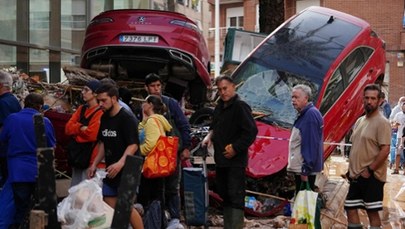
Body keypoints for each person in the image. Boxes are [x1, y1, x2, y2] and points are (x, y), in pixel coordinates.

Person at [202, 76, 257, 229]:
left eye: (225, 88)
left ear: (233, 86)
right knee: (224, 192)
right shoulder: (219, 106)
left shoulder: (240, 106)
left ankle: (235, 225)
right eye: (220, 89)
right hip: (221, 159)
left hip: (235, 161)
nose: (223, 92)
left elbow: (251, 132)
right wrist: (209, 136)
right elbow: (214, 126)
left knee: (235, 195)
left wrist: (236, 148)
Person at [88, 83, 144, 229]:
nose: (100, 104)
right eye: (98, 100)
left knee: (126, 206)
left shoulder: (127, 118)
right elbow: (103, 143)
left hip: (128, 169)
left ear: (114, 98)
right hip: (111, 169)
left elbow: (133, 145)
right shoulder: (105, 117)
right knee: (108, 201)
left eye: (103, 100)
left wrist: (120, 164)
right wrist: (94, 164)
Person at [0, 93, 56, 228]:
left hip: (18, 171)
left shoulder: (12, 119)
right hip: (40, 171)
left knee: (21, 207)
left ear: (25, 103)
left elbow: (3, 139)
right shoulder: (45, 121)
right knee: (41, 207)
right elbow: (52, 146)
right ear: (40, 106)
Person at [144, 73, 191, 229]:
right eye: (152, 86)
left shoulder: (171, 104)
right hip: (151, 156)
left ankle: (175, 219)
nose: (156, 89)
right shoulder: (144, 107)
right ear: (146, 88)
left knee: (172, 187)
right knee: (155, 189)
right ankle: (159, 220)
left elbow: (184, 126)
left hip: (170, 154)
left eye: (158, 85)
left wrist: (185, 147)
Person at [344, 84, 391, 229]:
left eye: (373, 98)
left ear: (379, 101)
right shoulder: (360, 121)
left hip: (372, 176)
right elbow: (357, 147)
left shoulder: (382, 122)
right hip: (356, 176)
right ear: (362, 99)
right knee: (350, 207)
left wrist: (369, 170)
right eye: (366, 98)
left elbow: (385, 149)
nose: (369, 101)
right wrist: (350, 171)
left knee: (372, 212)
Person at [137, 95, 173, 228]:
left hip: (150, 167)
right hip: (157, 167)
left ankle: (151, 224)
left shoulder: (153, 121)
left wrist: (138, 150)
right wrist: (143, 119)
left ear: (150, 105)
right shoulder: (154, 120)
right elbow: (141, 134)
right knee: (156, 197)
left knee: (149, 198)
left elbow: (151, 144)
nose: (142, 105)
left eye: (144, 103)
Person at [65, 80, 104, 187]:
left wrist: (76, 131)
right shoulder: (81, 109)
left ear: (95, 93)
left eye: (86, 90)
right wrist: (81, 127)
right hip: (77, 157)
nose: (82, 92)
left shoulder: (100, 112)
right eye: (83, 89)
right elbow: (68, 128)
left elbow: (92, 134)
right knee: (75, 190)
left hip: (90, 159)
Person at [287, 84, 324, 193]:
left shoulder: (310, 115)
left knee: (304, 206)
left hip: (304, 170)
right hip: (302, 168)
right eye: (292, 97)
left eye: (296, 97)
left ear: (306, 98)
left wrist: (305, 170)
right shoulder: (305, 114)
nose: (293, 100)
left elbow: (311, 144)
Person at [0, 70, 22, 187]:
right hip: (12, 149)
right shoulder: (14, 100)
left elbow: (3, 127)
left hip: (4, 150)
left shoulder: (2, 103)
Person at [392, 101, 405, 174]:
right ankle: (396, 169)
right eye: (403, 106)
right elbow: (393, 124)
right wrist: (395, 124)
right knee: (398, 153)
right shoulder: (398, 115)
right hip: (399, 136)